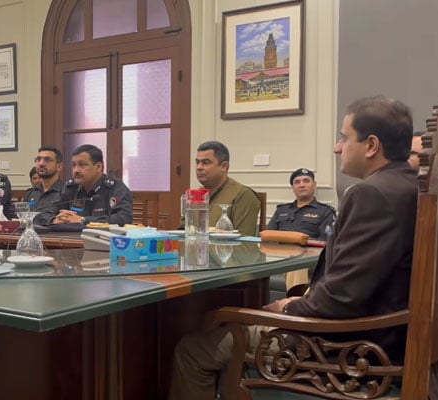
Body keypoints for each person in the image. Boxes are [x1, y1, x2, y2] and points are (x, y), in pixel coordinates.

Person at [169, 96, 418, 400]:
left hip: (343, 350)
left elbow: (341, 298)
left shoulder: (372, 194)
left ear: (371, 145)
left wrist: (286, 307)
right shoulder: (409, 186)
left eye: (344, 137)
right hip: (382, 339)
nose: (337, 147)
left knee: (193, 349)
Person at [46, 144, 133, 226]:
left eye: (82, 165)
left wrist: (83, 220)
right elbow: (45, 212)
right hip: (70, 239)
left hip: (102, 240)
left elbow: (124, 219)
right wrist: (55, 219)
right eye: (73, 165)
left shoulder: (115, 188)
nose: (76, 170)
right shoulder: (70, 188)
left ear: (99, 167)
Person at [193, 141, 260, 236]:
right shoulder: (195, 195)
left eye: (206, 162)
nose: (199, 167)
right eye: (197, 162)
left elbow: (245, 241)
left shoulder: (243, 195)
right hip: (194, 249)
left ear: (224, 166)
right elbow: (184, 230)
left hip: (226, 250)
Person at [266, 168, 336, 240]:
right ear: (293, 187)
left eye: (306, 181)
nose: (301, 185)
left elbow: (327, 240)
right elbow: (268, 235)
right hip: (279, 250)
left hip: (309, 250)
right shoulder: (282, 210)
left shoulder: (325, 212)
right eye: (297, 182)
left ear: (314, 185)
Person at [24, 146, 65, 225]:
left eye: (47, 160)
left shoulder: (66, 192)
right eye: (38, 160)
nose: (41, 163)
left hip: (54, 236)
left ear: (59, 166)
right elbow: (22, 218)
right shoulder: (31, 193)